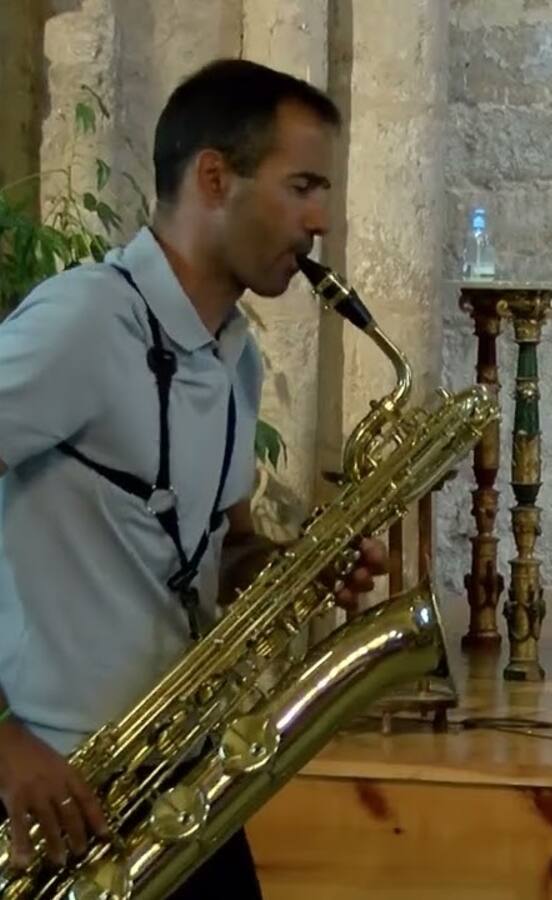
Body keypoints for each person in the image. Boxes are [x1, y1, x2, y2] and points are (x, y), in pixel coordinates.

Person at [0, 59, 386, 898]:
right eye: (303, 186)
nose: (321, 219)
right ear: (215, 177)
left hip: (173, 786)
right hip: (54, 798)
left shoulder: (234, 354)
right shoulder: (82, 320)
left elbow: (225, 542)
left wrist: (291, 566)